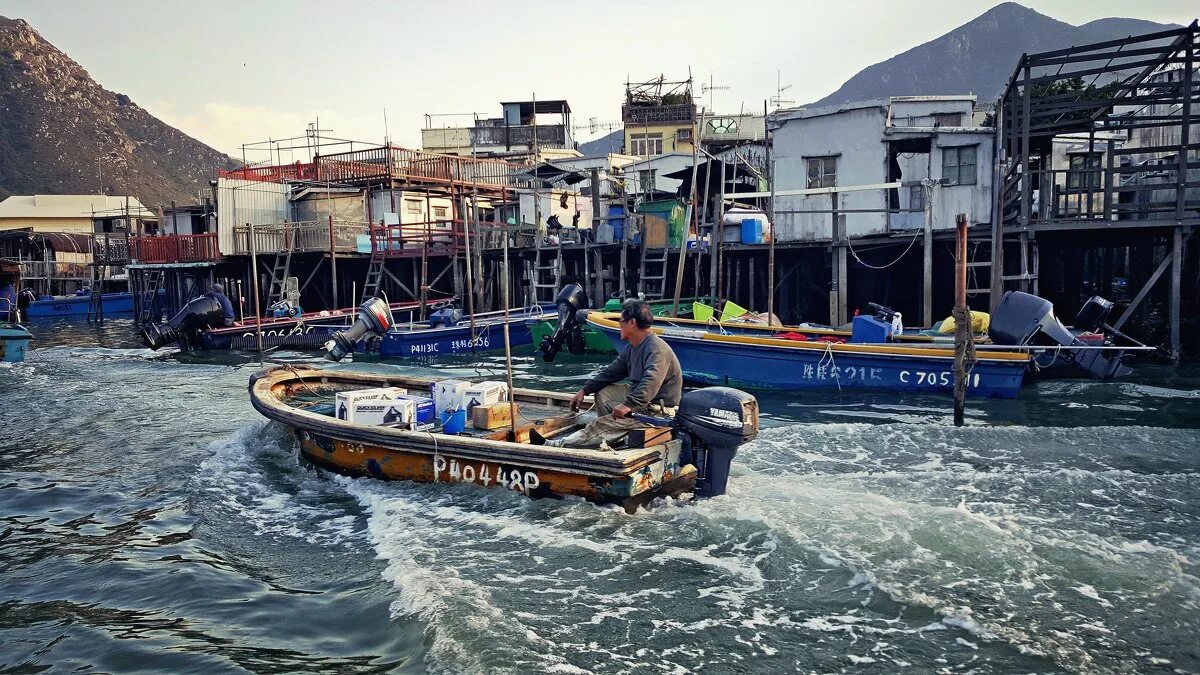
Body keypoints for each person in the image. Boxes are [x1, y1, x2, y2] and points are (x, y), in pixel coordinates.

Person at [533, 299, 682, 448]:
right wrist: (585, 390)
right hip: (643, 402)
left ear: (632, 323)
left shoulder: (656, 349)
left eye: (621, 320)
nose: (619, 324)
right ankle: (613, 439)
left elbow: (651, 382)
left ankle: (556, 444)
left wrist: (628, 405)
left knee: (601, 424)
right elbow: (611, 372)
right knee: (603, 391)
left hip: (656, 411)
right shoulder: (633, 347)